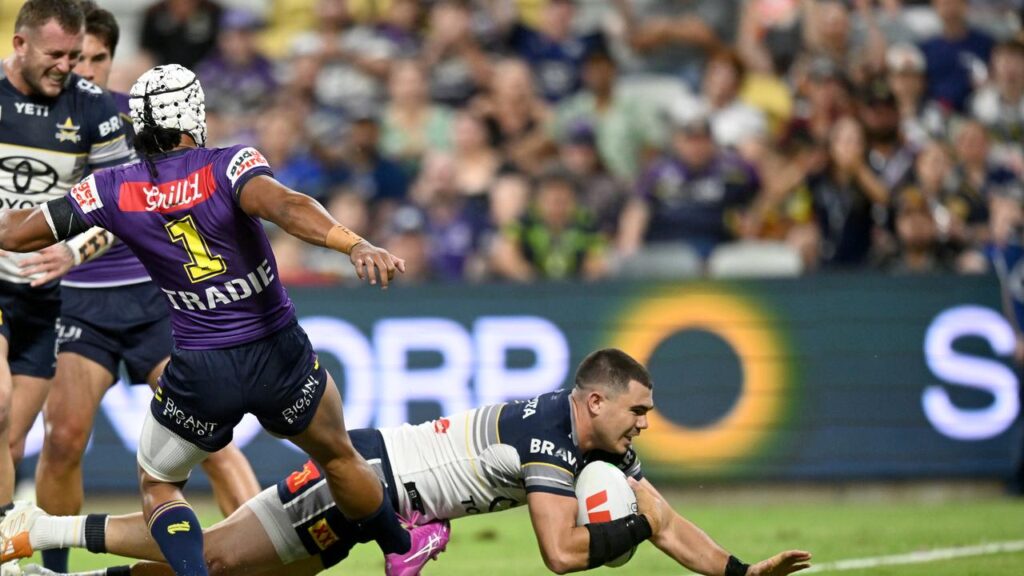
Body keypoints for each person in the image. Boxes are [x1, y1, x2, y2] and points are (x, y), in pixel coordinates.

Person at [0, 63, 441, 576]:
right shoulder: (230, 165)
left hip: (200, 369)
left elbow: (17, 234)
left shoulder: (111, 187)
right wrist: (354, 242)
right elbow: (287, 205)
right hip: (279, 355)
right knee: (340, 458)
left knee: (159, 485)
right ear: (193, 113)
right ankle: (399, 546)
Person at [0, 349, 813, 576]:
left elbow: (667, 523)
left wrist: (739, 573)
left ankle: (44, 539)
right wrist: (627, 528)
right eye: (638, 411)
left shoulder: (595, 444)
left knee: (220, 556)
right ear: (595, 402)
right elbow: (563, 555)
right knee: (213, 557)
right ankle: (41, 532)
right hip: (369, 490)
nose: (646, 425)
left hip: (377, 500)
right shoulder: (547, 440)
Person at [17, 4, 260, 572]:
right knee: (63, 439)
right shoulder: (31, 123)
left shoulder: (135, 121)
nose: (86, 70)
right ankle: (54, 568)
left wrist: (72, 249)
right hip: (78, 304)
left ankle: (270, 553)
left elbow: (123, 211)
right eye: (77, 59)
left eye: (97, 59)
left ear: (110, 59)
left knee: (212, 443)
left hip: (155, 299)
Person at [0, 0, 134, 508]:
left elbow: (123, 208)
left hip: (43, 296)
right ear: (19, 44)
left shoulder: (95, 109)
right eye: (56, 54)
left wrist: (73, 254)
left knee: (12, 442)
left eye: (75, 55)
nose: (67, 67)